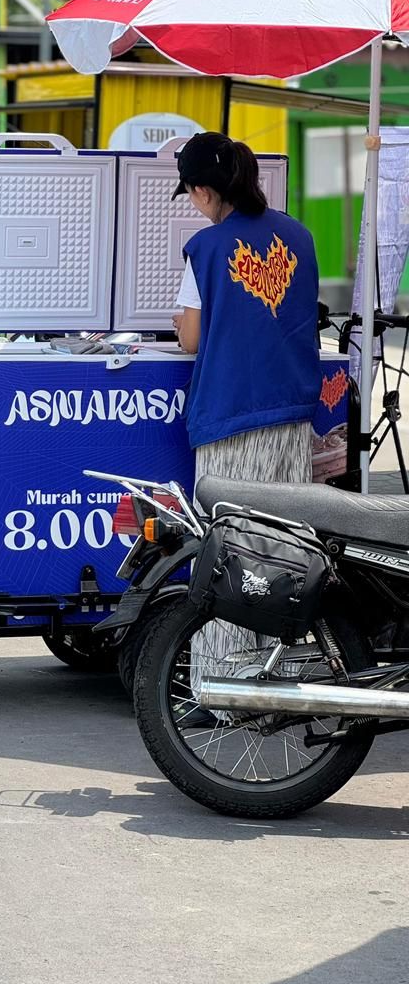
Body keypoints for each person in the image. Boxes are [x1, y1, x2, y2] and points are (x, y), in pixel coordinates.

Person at [170, 131, 321, 719]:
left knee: (230, 552)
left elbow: (190, 336)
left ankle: (225, 693)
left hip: (230, 417)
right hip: (290, 416)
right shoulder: (300, 236)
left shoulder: (206, 249)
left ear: (206, 191)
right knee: (285, 551)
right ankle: (283, 675)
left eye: (190, 193)